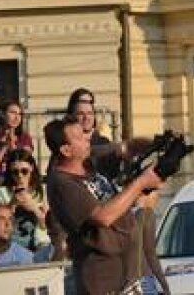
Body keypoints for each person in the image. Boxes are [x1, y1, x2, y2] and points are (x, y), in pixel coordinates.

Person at [45, 115, 165, 294]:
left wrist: (160, 145)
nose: (88, 138)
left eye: (85, 133)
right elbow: (103, 216)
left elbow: (127, 147)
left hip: (133, 274)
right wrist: (140, 183)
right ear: (66, 150)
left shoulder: (88, 159)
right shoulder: (62, 183)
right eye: (79, 137)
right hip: (103, 282)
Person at [0, 148, 53, 260]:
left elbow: (47, 225)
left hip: (40, 244)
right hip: (13, 245)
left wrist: (34, 207)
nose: (20, 176)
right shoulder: (3, 193)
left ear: (32, 169)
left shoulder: (42, 191)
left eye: (24, 171)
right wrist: (12, 204)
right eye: (15, 172)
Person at [0, 100, 34, 193]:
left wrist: (13, 145)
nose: (17, 117)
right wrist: (4, 147)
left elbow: (25, 162)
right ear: (3, 115)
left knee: (23, 185)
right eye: (13, 113)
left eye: (20, 114)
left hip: (20, 175)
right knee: (9, 187)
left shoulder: (25, 138)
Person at [134, 189, 171, 295]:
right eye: (156, 192)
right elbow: (150, 252)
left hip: (125, 280)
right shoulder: (147, 214)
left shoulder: (122, 213)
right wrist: (164, 284)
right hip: (143, 279)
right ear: (145, 193)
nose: (158, 196)